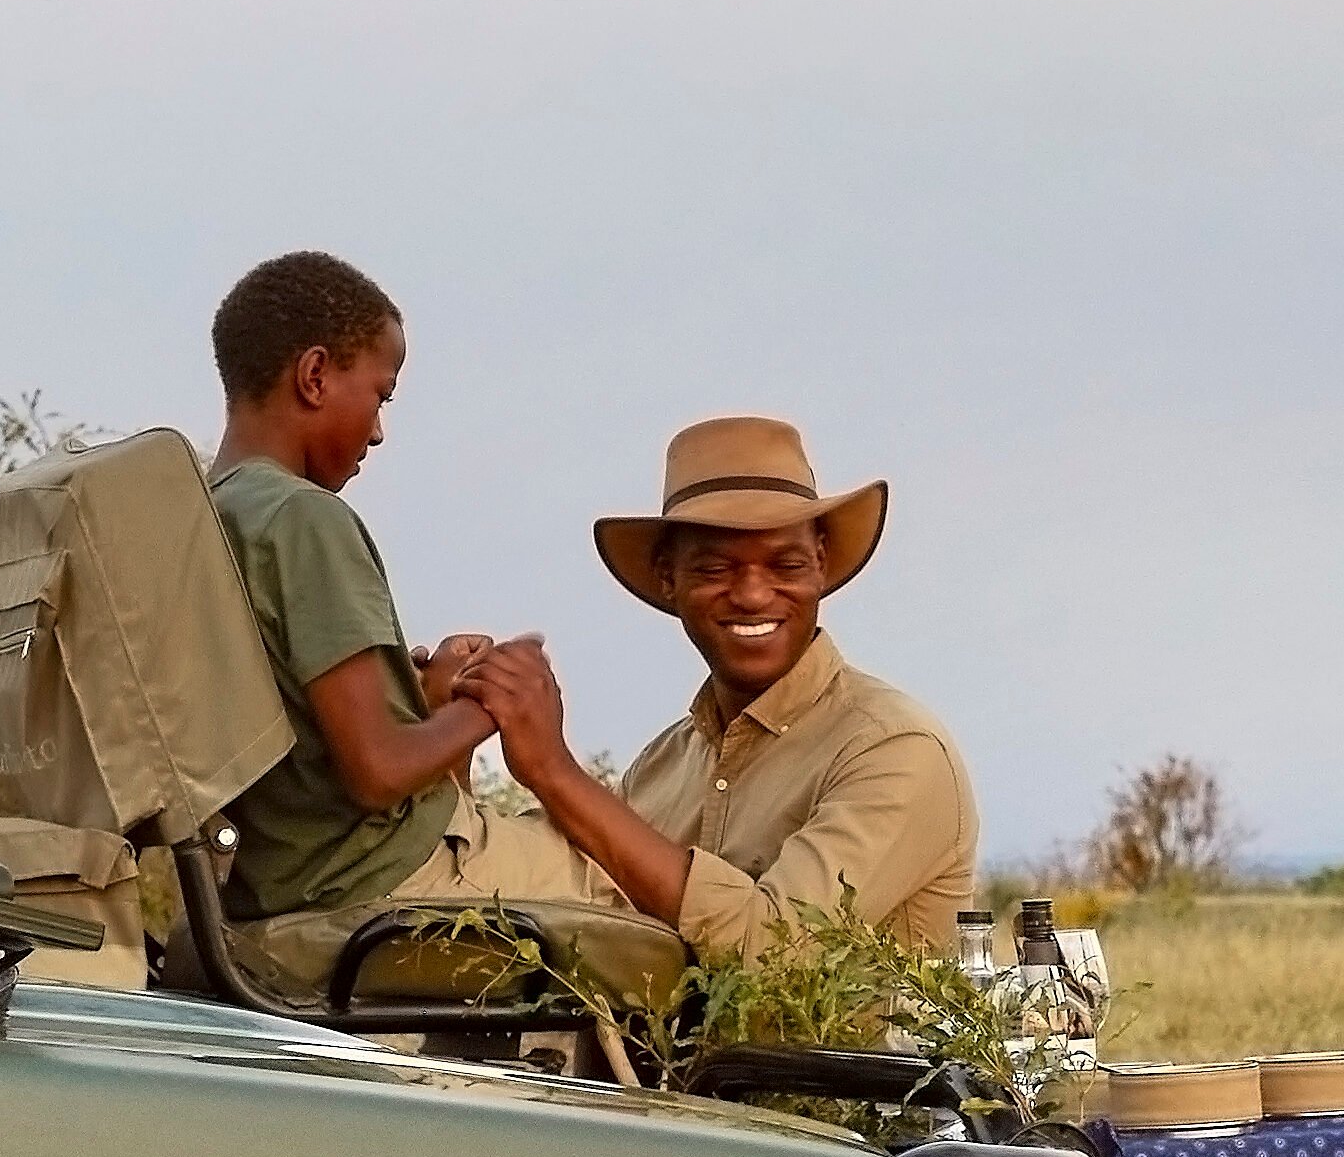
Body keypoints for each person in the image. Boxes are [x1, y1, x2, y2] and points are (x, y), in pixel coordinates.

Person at [460, 417, 979, 955]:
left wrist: (552, 770)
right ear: (668, 577)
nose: (753, 595)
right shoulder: (662, 766)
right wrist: (447, 725)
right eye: (715, 569)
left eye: (786, 564)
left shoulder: (893, 749)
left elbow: (774, 954)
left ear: (819, 564)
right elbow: (539, 901)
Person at [198, 252, 592, 922]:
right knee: (623, 875)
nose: (379, 430)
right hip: (377, 873)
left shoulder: (205, 518)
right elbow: (377, 770)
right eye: (380, 394)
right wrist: (492, 701)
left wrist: (429, 704)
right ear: (316, 375)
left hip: (270, 883)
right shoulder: (303, 520)